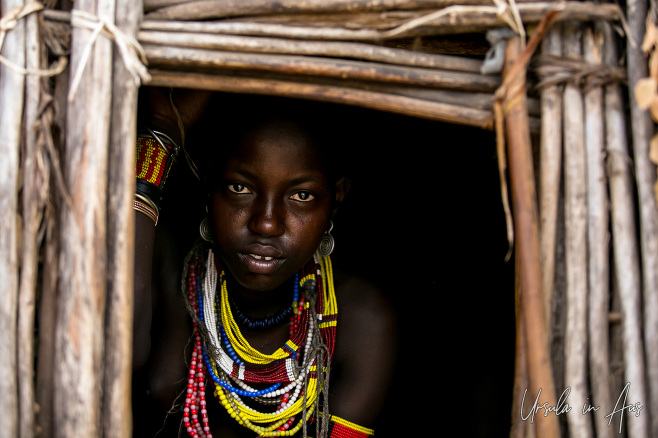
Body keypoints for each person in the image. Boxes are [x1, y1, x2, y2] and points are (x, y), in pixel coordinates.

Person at [131, 87, 398, 438]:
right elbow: (108, 350)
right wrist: (163, 131)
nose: (266, 223)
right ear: (211, 186)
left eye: (301, 196)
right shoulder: (174, 269)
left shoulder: (361, 322)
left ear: (335, 200)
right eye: (241, 188)